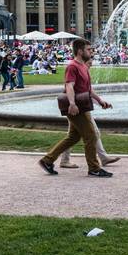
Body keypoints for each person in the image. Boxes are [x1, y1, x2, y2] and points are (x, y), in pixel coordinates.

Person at [39, 38, 112, 177]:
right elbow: (69, 86)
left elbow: (88, 90)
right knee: (91, 136)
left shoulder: (83, 66)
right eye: (88, 50)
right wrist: (72, 104)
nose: (91, 52)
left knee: (73, 137)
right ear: (80, 51)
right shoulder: (72, 66)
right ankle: (94, 168)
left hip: (82, 106)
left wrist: (100, 101)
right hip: (76, 107)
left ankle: (47, 160)